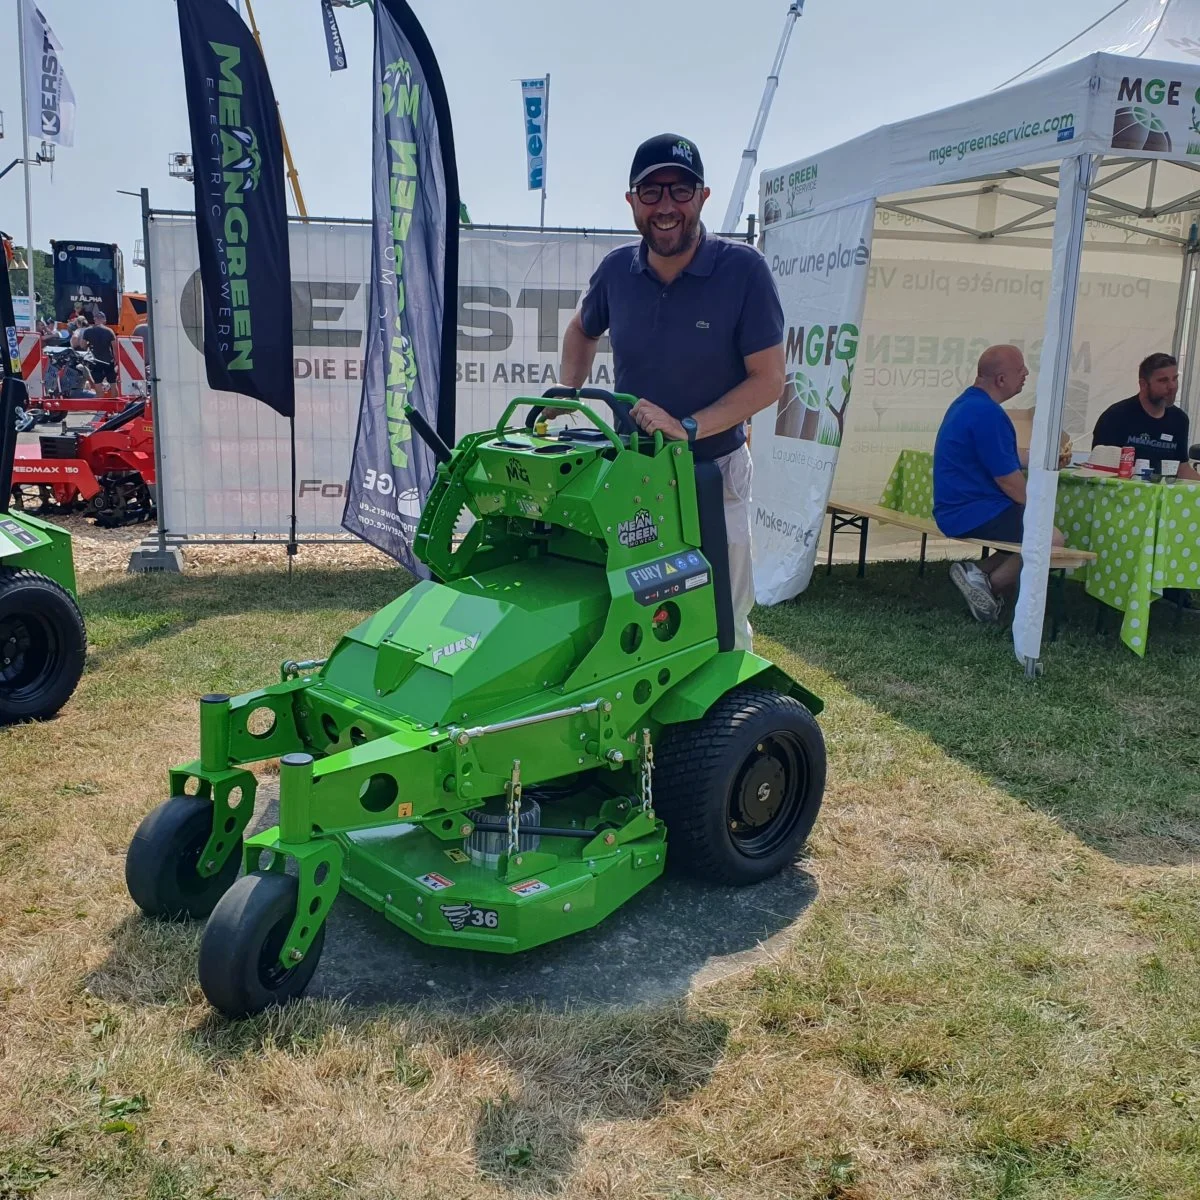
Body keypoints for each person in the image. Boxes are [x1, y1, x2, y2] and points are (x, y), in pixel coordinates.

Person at [557, 133, 785, 650]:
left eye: (680, 191)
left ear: (703, 197)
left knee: (723, 613)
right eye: (651, 192)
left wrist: (687, 427)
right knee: (635, 612)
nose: (665, 207)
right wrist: (566, 396)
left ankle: (729, 725)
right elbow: (581, 330)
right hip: (631, 474)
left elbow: (769, 380)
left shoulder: (743, 270)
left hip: (714, 470)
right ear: (632, 201)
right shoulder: (617, 269)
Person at [933, 344, 1065, 623]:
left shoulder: (968, 404)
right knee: (1051, 539)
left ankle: (977, 573)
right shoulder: (988, 414)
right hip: (974, 511)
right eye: (1020, 369)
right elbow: (1009, 481)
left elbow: (1001, 454)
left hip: (956, 509)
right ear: (1001, 380)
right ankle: (988, 585)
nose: (1027, 373)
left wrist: (1040, 459)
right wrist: (1040, 507)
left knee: (1027, 532)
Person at [1091, 352, 1200, 480]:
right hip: (1121, 494)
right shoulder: (1116, 416)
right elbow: (1099, 468)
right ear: (1143, 384)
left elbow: (1182, 468)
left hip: (1163, 496)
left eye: (1175, 378)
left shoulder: (1179, 420)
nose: (1172, 386)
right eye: (1163, 380)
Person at [79, 310, 117, 392]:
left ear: (95, 319)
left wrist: (89, 343)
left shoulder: (88, 331)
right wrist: (116, 361)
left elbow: (82, 345)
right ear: (104, 320)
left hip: (95, 361)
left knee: (98, 384)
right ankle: (116, 404)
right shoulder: (109, 331)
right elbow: (115, 348)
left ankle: (101, 402)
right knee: (113, 383)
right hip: (108, 361)